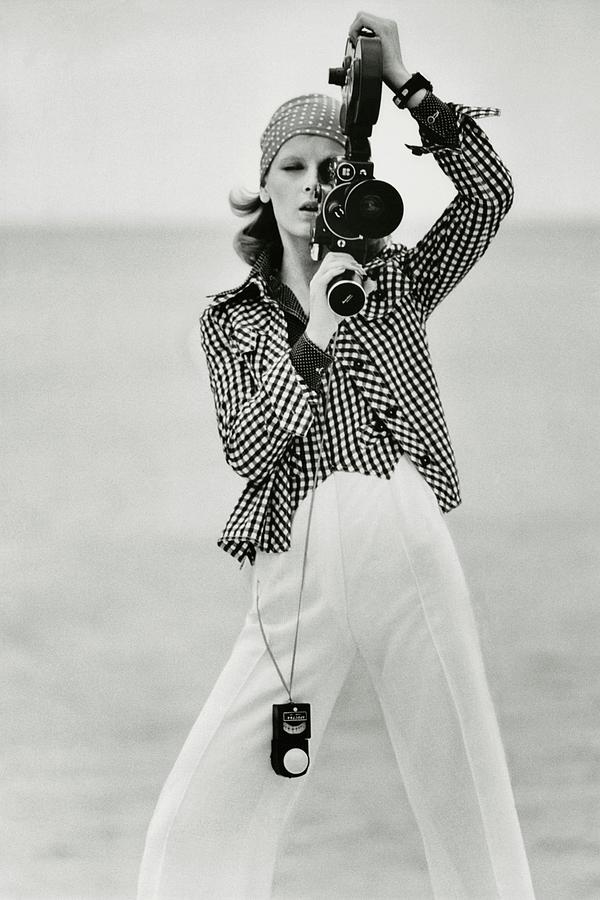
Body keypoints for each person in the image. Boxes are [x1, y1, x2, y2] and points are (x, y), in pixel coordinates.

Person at [138, 11, 535, 899]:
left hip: (400, 519)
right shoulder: (233, 320)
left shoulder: (392, 278)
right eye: (294, 166)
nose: (314, 183)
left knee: (467, 789)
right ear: (266, 186)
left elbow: (489, 198)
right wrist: (315, 322)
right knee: (198, 817)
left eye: (330, 166)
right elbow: (247, 446)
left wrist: (407, 85)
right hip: (294, 552)